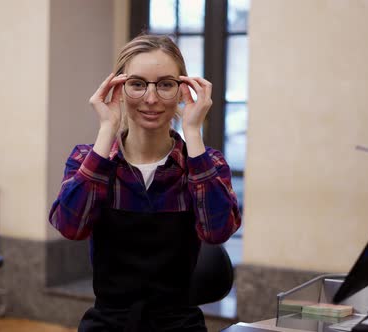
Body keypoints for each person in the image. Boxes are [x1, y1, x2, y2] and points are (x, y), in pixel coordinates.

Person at [48, 34, 241, 332]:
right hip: (108, 324)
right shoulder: (88, 159)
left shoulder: (207, 163)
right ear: (120, 90)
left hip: (179, 325)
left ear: (182, 91)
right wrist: (107, 129)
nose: (151, 99)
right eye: (138, 84)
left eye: (165, 84)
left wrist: (193, 132)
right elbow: (70, 228)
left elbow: (217, 232)